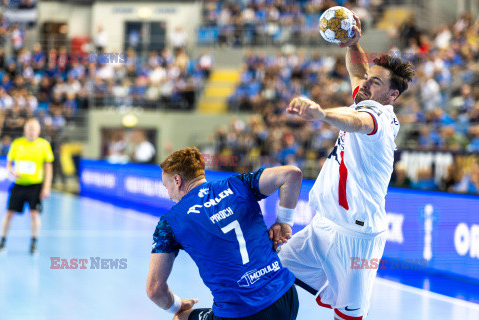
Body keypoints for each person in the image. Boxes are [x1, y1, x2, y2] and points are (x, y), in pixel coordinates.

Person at [275, 13, 415, 320]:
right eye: (368, 79)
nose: (365, 84)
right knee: (270, 269)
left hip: (356, 236)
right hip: (324, 224)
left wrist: (322, 113)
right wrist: (353, 43)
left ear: (392, 95)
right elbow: (357, 71)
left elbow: (355, 122)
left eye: (375, 82)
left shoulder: (378, 118)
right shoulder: (367, 96)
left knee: (348, 316)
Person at [146, 147, 301, 320]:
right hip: (285, 297)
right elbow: (292, 173)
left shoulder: (170, 222)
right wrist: (284, 222)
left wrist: (177, 306)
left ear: (177, 180)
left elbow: (155, 290)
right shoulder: (238, 184)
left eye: (166, 186)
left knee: (180, 318)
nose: (168, 195)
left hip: (241, 313)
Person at [0, 118, 54, 254]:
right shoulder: (17, 144)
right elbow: (9, 164)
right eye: (29, 128)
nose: (31, 131)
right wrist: (13, 172)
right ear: (25, 129)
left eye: (34, 129)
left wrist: (46, 187)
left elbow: (48, 168)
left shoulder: (44, 145)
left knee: (34, 214)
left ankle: (34, 244)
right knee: (9, 213)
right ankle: (2, 242)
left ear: (38, 130)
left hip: (35, 186)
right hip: (19, 185)